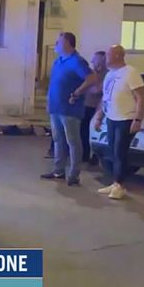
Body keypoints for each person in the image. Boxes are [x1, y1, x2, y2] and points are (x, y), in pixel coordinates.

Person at [40, 32, 97, 186]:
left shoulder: (77, 61)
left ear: (67, 44)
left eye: (59, 42)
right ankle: (58, 170)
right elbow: (54, 83)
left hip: (70, 110)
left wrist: (78, 92)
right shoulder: (58, 61)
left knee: (73, 141)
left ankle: (74, 174)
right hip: (56, 108)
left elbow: (91, 78)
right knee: (58, 140)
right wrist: (49, 101)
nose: (56, 44)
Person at [93, 45, 144, 200]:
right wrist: (99, 117)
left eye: (108, 54)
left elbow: (141, 97)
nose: (105, 58)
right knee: (112, 152)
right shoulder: (110, 74)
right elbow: (106, 98)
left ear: (117, 55)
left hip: (126, 119)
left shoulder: (131, 72)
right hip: (111, 118)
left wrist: (137, 119)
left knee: (120, 152)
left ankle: (120, 186)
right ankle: (115, 182)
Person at [81, 51, 108, 164]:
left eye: (95, 59)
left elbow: (97, 90)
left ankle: (96, 156)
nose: (92, 61)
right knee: (83, 132)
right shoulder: (92, 74)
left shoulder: (107, 75)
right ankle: (85, 154)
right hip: (86, 106)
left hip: (98, 109)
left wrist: (84, 88)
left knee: (95, 133)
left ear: (102, 60)